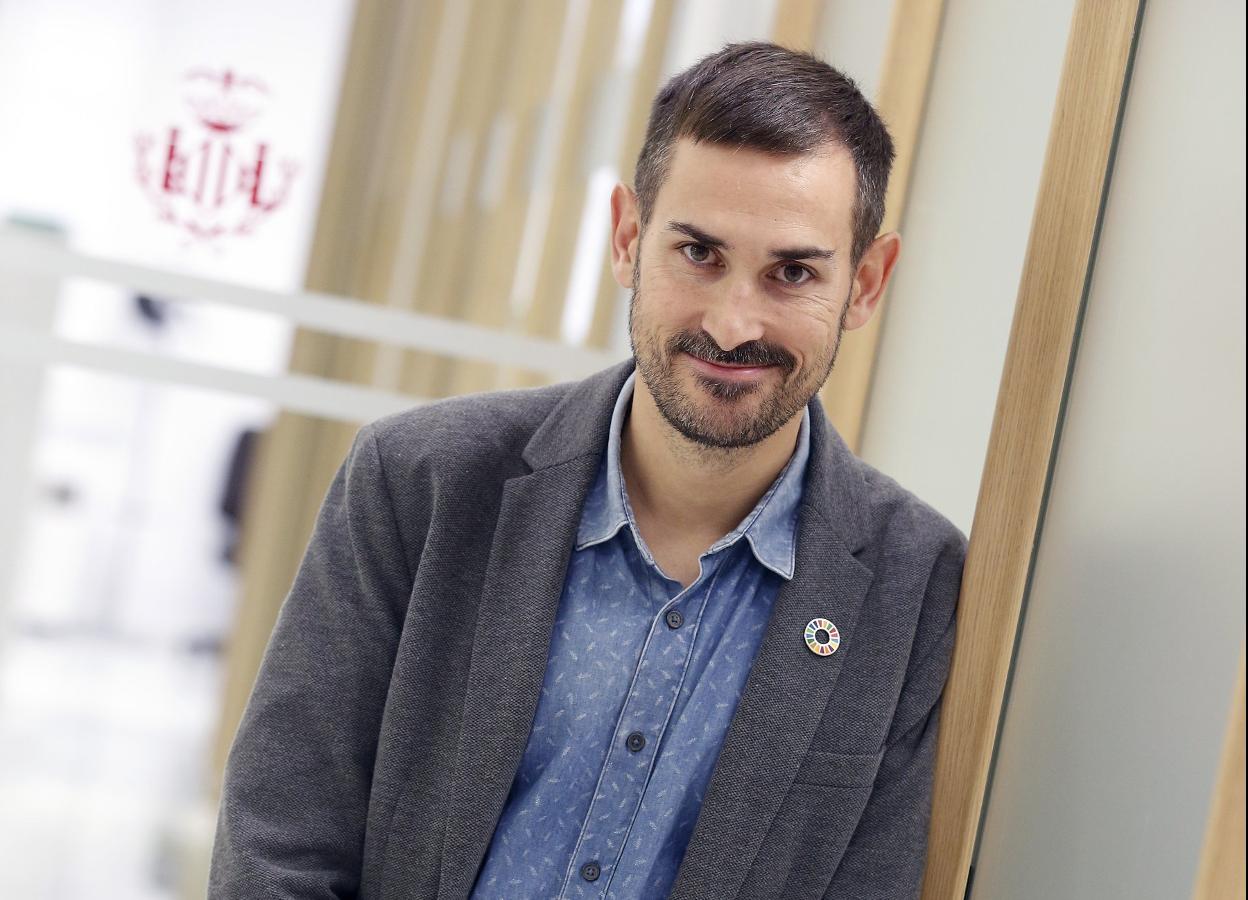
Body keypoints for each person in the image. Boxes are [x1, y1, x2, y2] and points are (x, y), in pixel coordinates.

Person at [208, 41, 966, 900]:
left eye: (792, 272)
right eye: (699, 254)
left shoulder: (918, 589)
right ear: (628, 238)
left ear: (865, 283)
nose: (731, 323)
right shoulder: (416, 485)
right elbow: (277, 843)